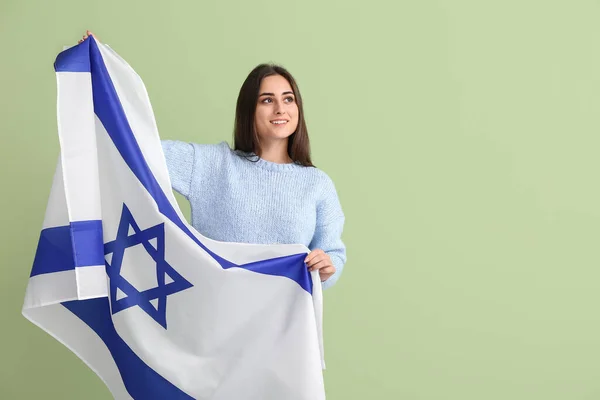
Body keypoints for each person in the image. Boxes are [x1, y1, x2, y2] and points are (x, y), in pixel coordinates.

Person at [78, 31, 346, 289]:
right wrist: (102, 75)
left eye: (288, 99)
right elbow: (138, 145)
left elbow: (333, 253)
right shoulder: (212, 165)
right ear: (249, 109)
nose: (280, 109)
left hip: (282, 324)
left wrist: (327, 266)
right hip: (216, 318)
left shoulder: (317, 185)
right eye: (267, 100)